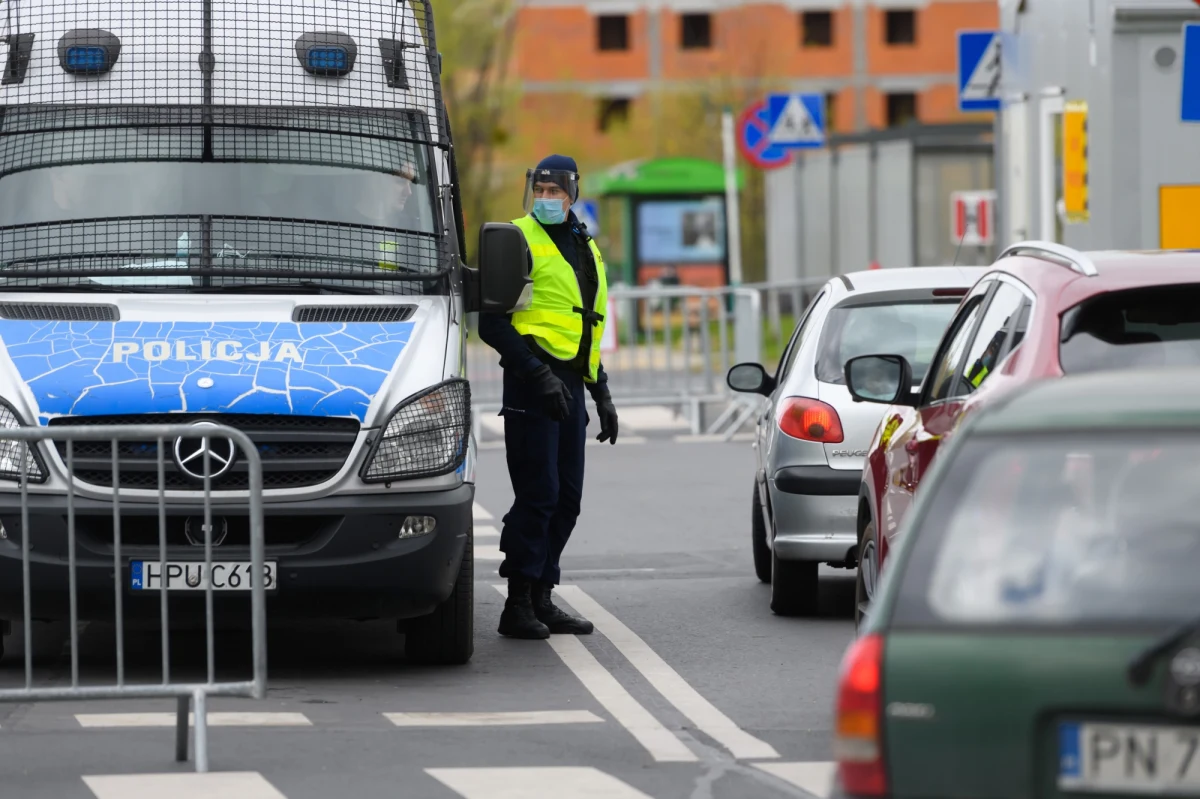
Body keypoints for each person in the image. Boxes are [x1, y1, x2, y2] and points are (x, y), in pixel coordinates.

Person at [477, 154, 619, 640]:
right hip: (530, 381)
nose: (546, 199)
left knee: (567, 500)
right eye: (539, 191)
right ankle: (517, 603)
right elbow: (493, 322)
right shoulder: (515, 239)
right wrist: (538, 375)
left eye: (555, 191)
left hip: (571, 385)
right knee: (538, 496)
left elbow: (585, 325)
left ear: (573, 192)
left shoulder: (583, 243)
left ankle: (542, 595)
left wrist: (602, 393)